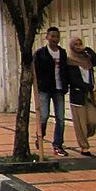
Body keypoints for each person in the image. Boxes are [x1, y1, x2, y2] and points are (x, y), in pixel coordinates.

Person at [34, 27, 69, 156]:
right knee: (44, 115)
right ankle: (40, 136)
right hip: (44, 89)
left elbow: (66, 70)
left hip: (59, 89)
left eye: (57, 36)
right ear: (47, 37)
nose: (55, 39)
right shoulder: (40, 53)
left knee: (60, 118)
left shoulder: (63, 53)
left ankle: (58, 145)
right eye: (52, 36)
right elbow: (34, 70)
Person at [65, 37, 96, 157]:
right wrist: (89, 87)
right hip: (78, 95)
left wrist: (87, 50)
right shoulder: (70, 61)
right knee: (80, 123)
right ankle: (84, 147)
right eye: (75, 44)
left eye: (80, 43)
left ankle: (85, 135)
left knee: (93, 121)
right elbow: (73, 80)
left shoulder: (87, 59)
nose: (78, 46)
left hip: (90, 95)